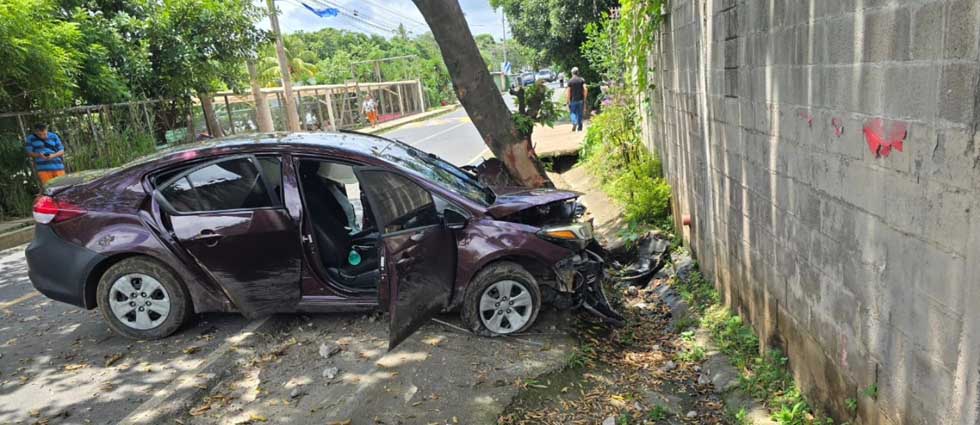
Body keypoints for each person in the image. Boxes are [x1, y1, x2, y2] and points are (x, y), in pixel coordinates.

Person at [566, 67, 588, 132]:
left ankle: (574, 122)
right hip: (580, 99)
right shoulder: (581, 80)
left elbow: (568, 91)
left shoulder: (570, 81)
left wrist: (568, 101)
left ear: (572, 73)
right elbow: (585, 89)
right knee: (580, 113)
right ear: (578, 72)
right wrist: (584, 97)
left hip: (573, 100)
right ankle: (580, 127)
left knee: (573, 112)